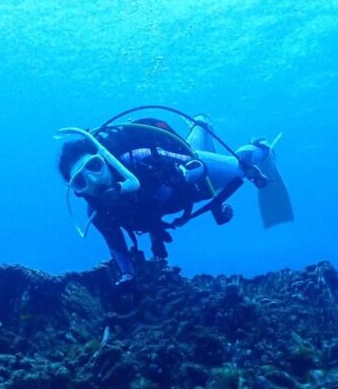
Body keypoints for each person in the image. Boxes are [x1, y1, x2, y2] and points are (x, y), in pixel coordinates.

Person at [57, 107, 293, 284]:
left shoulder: (139, 158)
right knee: (196, 146)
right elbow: (116, 246)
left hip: (194, 183)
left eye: (94, 166)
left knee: (240, 169)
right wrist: (127, 275)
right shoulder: (98, 214)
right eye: (80, 181)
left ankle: (262, 149)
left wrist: (181, 174)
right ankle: (201, 126)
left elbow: (196, 163)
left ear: (105, 159)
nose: (94, 180)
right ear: (77, 191)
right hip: (179, 199)